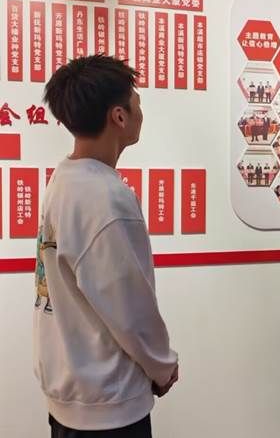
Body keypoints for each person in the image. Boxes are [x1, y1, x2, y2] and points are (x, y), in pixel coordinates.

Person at [35, 55, 178, 438]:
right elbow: (131, 310)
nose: (141, 111)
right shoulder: (106, 197)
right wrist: (163, 367)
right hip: (109, 407)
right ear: (119, 117)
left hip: (70, 397)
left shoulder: (63, 179)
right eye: (136, 102)